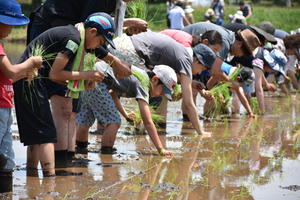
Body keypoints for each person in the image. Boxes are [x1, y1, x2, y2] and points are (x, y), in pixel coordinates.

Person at [13, 12, 116, 177]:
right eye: (101, 41)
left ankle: (31, 178)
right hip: (30, 77)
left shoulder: (75, 35)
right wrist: (86, 75)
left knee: (36, 136)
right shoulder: (73, 40)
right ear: (92, 32)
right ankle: (52, 181)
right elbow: (55, 74)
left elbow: (58, 77)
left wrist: (81, 82)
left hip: (27, 78)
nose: (98, 46)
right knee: (46, 133)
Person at [108, 33, 223, 135]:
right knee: (152, 90)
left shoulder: (183, 53)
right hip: (127, 51)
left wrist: (192, 84)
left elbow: (169, 76)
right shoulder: (186, 60)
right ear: (198, 60)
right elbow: (189, 104)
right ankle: (140, 127)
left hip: (119, 44)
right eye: (202, 68)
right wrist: (200, 132)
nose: (199, 72)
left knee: (115, 84)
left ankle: (134, 125)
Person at [76, 62, 176, 156]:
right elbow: (148, 122)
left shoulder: (137, 77)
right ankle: (106, 154)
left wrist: (125, 115)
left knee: (85, 119)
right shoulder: (144, 82)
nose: (161, 95)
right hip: (98, 80)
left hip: (91, 75)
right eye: (162, 91)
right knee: (114, 122)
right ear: (155, 79)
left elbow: (113, 94)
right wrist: (160, 149)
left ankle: (80, 149)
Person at [0, 0, 42, 193]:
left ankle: (6, 191)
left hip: (6, 106)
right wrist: (30, 62)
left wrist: (25, 73)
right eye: (8, 23)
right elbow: (10, 71)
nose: (10, 29)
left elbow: (9, 75)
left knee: (7, 154)